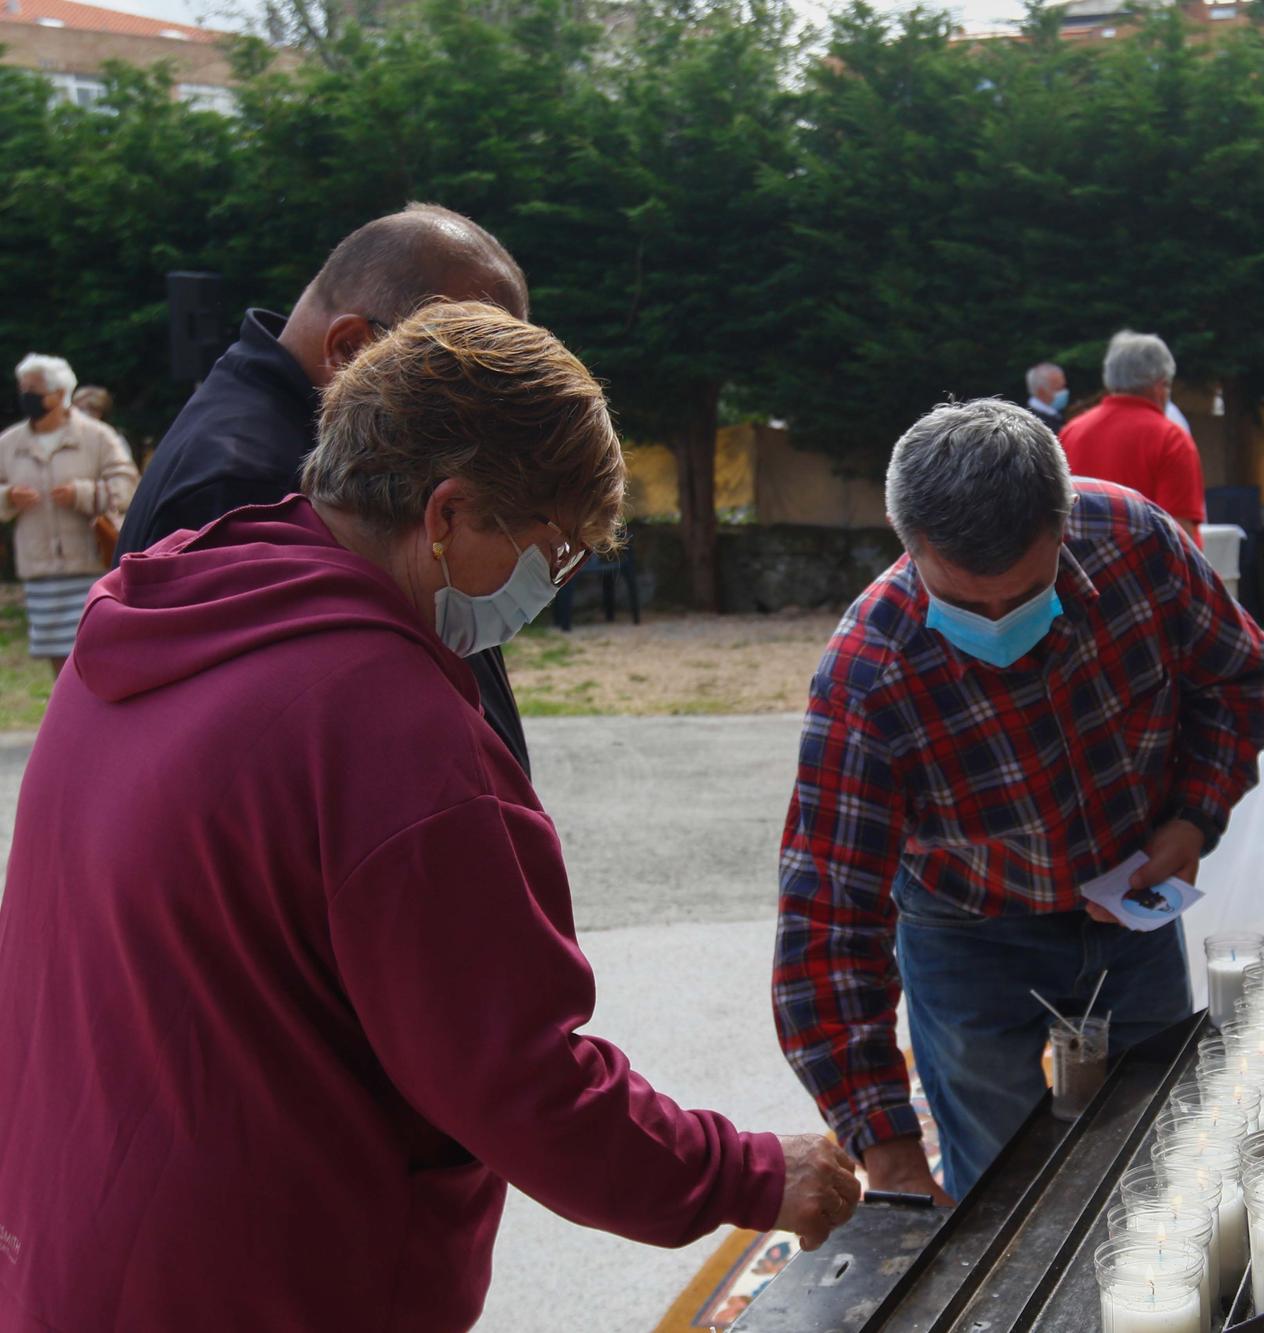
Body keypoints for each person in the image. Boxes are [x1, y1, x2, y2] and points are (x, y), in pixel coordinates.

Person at [0, 304, 859, 1332]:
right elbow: (518, 1080)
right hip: (269, 1280)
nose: (555, 580)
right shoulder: (386, 723)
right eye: (555, 548)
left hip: (73, 1239)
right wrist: (755, 1172)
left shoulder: (166, 613)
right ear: (447, 515)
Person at [774, 399, 1264, 1203]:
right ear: (911, 547)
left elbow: (1234, 676)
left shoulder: (1136, 543)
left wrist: (1192, 818)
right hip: (967, 934)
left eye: (1028, 590)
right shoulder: (869, 674)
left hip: (1131, 900)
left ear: (1063, 519)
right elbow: (828, 922)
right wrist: (888, 1145)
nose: (1002, 624)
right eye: (969, 604)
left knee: (1163, 1162)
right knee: (1002, 1189)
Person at [118, 203, 537, 773]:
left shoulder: (312, 443)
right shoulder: (248, 483)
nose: (482, 422)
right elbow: (271, 770)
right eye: (465, 380)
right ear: (351, 351)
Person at [2, 354, 137, 671]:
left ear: (60, 393)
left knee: (95, 650)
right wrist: (8, 496)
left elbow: (128, 486)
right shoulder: (8, 443)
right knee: (57, 660)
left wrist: (82, 494)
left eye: (34, 389)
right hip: (39, 568)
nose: (26, 396)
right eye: (23, 388)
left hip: (90, 562)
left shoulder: (98, 437)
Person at [1058, 330, 1207, 545]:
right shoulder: (1171, 439)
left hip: (1081, 572)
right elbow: (1180, 535)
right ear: (1160, 385)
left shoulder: (1071, 432)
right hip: (1145, 574)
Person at [1024, 360, 1068, 432]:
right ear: (1041, 392)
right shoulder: (1032, 426)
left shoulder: (1054, 413)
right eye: (1059, 389)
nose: (1064, 392)